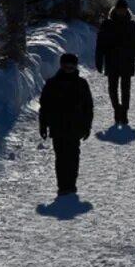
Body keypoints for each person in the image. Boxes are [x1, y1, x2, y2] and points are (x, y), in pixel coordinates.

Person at [38, 53, 93, 196]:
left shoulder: (81, 84)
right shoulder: (52, 83)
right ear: (61, 65)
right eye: (66, 65)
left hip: (75, 127)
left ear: (75, 66)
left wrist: (87, 126)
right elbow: (44, 106)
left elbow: (88, 107)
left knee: (73, 156)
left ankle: (71, 184)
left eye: (72, 65)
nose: (69, 67)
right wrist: (43, 125)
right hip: (58, 127)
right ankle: (63, 185)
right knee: (61, 157)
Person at [94, 0, 135, 126]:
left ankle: (124, 112)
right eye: (119, 9)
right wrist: (99, 62)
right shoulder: (107, 24)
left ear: (127, 10)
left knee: (126, 89)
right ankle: (117, 109)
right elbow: (100, 45)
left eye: (123, 9)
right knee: (112, 88)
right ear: (115, 10)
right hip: (111, 61)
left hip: (127, 61)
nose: (121, 11)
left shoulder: (133, 25)